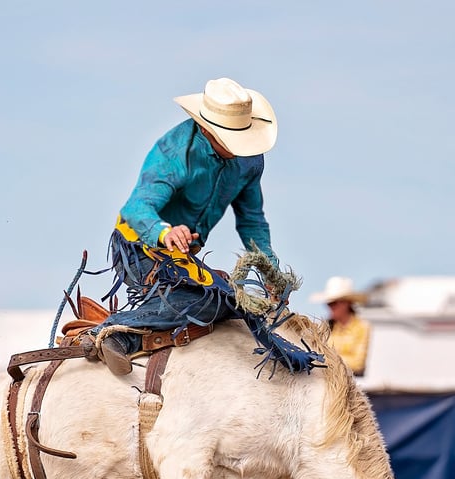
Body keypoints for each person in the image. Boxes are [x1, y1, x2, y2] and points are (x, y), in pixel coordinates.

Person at [85, 77, 322, 377]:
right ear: (207, 129)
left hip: (182, 255)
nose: (241, 145)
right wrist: (165, 231)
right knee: (210, 300)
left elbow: (252, 219)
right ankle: (115, 335)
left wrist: (269, 269)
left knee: (231, 303)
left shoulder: (249, 161)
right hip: (140, 245)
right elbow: (136, 208)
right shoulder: (174, 152)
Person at [309, 276, 372, 376]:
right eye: (329, 303)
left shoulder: (362, 327)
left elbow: (358, 363)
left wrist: (327, 359)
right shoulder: (325, 327)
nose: (330, 307)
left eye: (334, 303)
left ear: (346, 303)